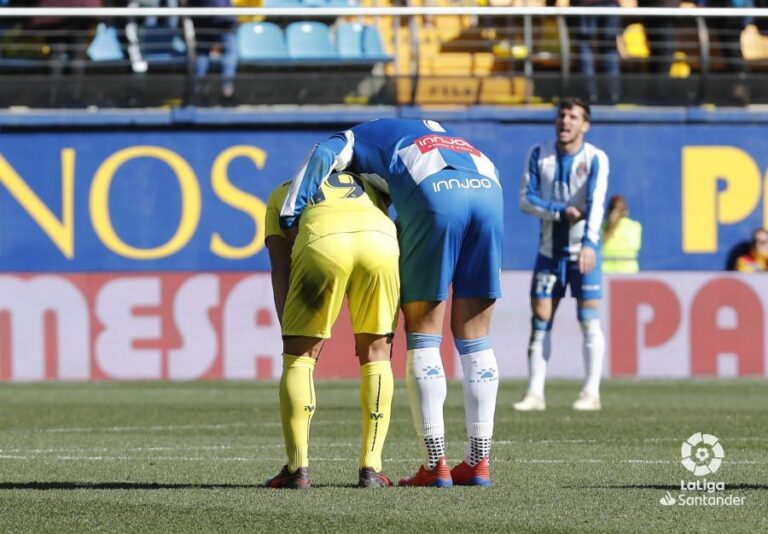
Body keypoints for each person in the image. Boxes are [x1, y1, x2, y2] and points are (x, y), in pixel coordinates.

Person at [280, 118, 504, 487]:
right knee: (476, 336)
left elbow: (323, 153)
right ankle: (479, 462)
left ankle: (435, 464)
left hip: (436, 196)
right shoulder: (443, 134)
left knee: (424, 333)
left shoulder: (353, 137)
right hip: (489, 192)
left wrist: (291, 213)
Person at [264, 172, 400, 489]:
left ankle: (297, 469)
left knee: (299, 360)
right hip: (380, 243)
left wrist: (290, 329)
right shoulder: (367, 183)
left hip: (322, 243)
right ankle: (371, 469)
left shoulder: (281, 191)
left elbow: (281, 265)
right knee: (377, 355)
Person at [515, 97, 608, 412]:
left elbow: (597, 202)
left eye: (573, 116)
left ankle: (591, 393)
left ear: (585, 125)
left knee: (588, 320)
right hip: (549, 253)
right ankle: (534, 394)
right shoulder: (538, 154)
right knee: (540, 320)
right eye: (562, 115)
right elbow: (526, 199)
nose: (565, 121)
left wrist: (590, 244)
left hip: (584, 252)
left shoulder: (595, 158)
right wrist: (559, 211)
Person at [569, 0, 622, 104]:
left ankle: (590, 94)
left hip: (586, 4)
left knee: (585, 47)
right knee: (609, 47)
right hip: (609, 5)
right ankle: (613, 94)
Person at [602, 194, 642, 273]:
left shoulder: (634, 226)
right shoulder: (601, 227)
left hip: (627, 274)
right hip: (606, 273)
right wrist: (610, 227)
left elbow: (632, 247)